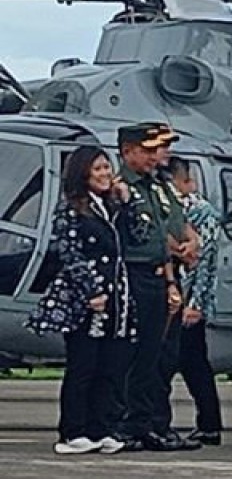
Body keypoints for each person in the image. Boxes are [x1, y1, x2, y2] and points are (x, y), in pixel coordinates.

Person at [26, 146, 136, 455]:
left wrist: (126, 203)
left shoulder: (109, 207)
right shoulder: (71, 208)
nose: (104, 174)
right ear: (82, 172)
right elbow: (69, 252)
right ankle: (73, 431)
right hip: (85, 299)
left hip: (116, 295)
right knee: (83, 365)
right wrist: (91, 291)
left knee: (110, 366)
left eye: (106, 168)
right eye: (97, 169)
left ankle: (100, 427)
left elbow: (135, 236)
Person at [115, 123, 199, 452]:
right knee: (136, 355)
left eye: (160, 149)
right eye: (149, 150)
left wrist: (192, 241)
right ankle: (131, 423)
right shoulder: (121, 187)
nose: (157, 156)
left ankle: (154, 422)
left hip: (168, 274)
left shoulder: (161, 185)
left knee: (163, 355)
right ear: (128, 151)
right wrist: (173, 253)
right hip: (140, 274)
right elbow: (142, 231)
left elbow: (176, 221)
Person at [166, 156, 225, 446]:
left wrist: (196, 304)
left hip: (188, 298)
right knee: (169, 361)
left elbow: (207, 260)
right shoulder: (169, 207)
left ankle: (210, 423)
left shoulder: (202, 212)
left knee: (194, 363)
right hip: (170, 296)